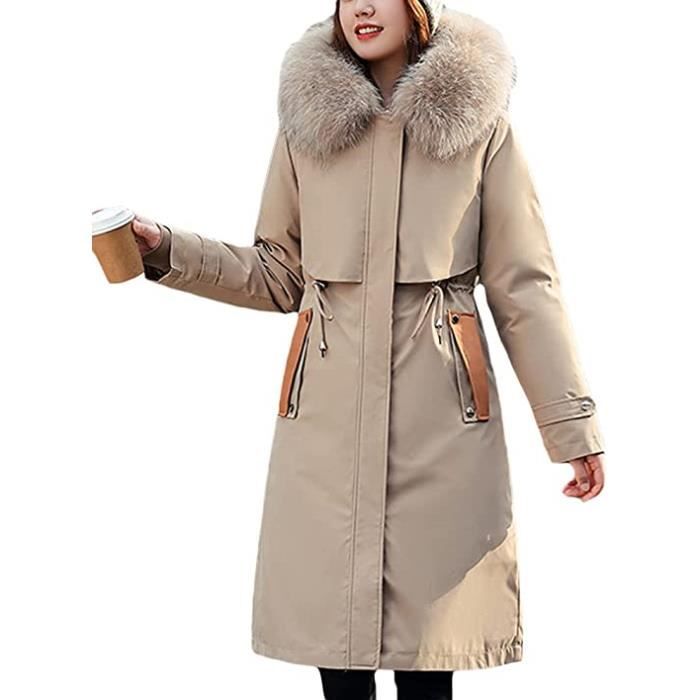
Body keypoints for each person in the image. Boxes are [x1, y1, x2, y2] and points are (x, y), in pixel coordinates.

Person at [132, 1, 606, 698]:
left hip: (442, 426)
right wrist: (166, 250)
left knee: (429, 659)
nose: (361, 6)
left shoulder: (481, 128)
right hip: (326, 429)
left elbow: (525, 288)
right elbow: (279, 276)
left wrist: (571, 428)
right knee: (337, 654)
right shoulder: (306, 128)